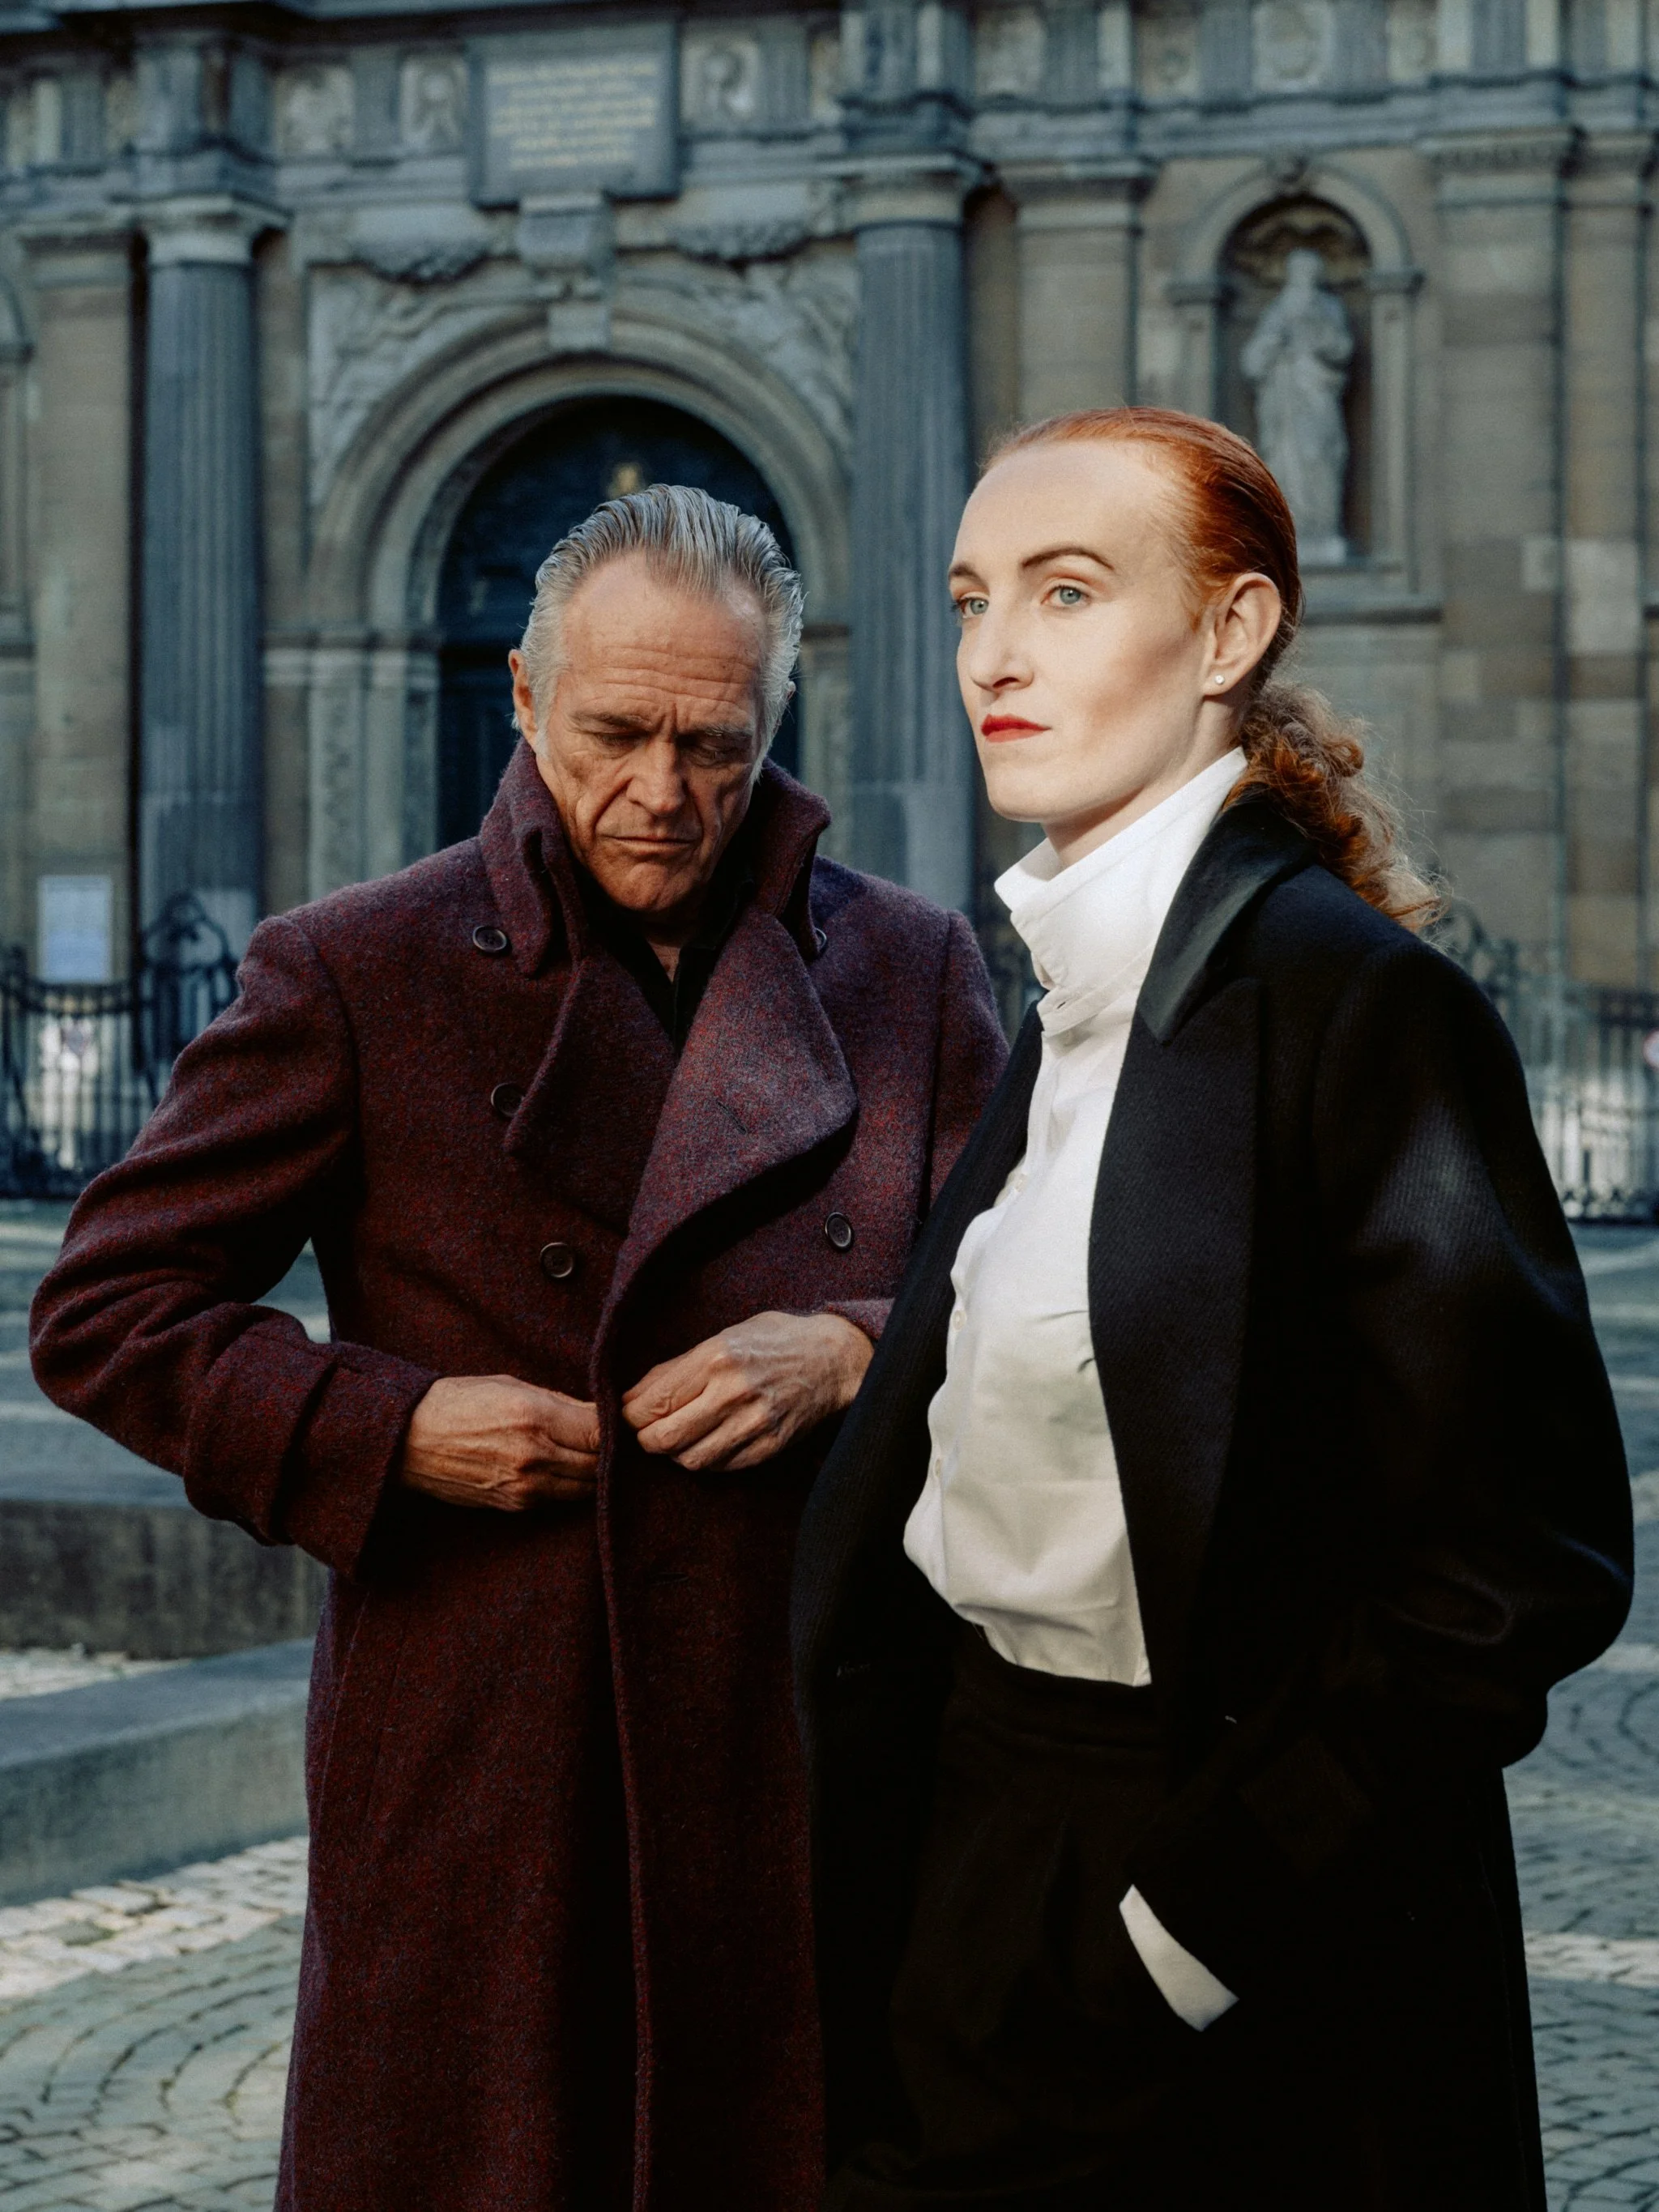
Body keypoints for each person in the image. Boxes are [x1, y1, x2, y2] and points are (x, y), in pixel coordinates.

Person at [30, 485, 1006, 2210]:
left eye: (713, 744)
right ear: (523, 703)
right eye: (617, 733)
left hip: (799, 1756)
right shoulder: (357, 969)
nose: (663, 793)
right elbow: (108, 1311)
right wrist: (389, 1428)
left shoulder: (910, 972)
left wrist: (857, 1351)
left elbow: (1029, 1300)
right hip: (484, 1761)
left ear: (772, 719)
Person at [791, 409, 1633, 2212]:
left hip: (1214, 1915)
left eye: (1067, 591)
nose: (994, 653)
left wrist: (1172, 1940)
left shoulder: (1352, 1006)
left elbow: (1510, 1570)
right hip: (977, 1844)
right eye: (966, 602)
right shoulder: (1079, 988)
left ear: (1231, 634)